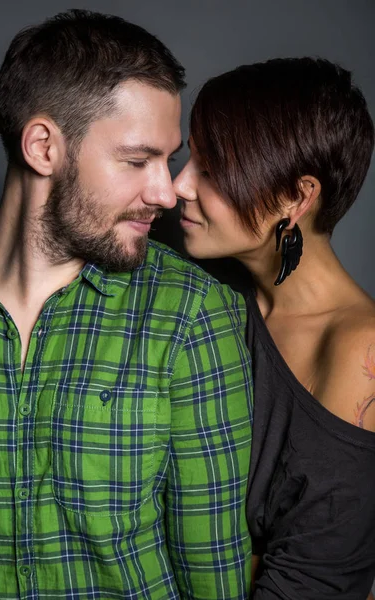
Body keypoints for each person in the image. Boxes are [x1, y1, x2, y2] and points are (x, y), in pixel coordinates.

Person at [0, 10, 253, 599]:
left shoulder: (192, 316)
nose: (166, 191)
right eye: (136, 160)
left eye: (168, 159)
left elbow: (216, 577)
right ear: (44, 147)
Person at [174, 57, 375, 599]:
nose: (178, 186)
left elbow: (316, 577)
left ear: (296, 197)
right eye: (188, 159)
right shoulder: (203, 296)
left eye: (212, 170)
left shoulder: (361, 349)